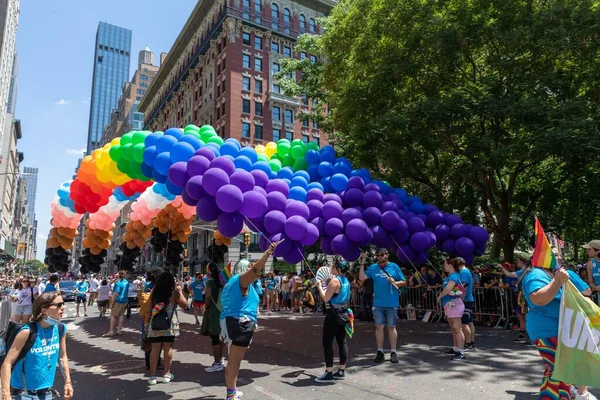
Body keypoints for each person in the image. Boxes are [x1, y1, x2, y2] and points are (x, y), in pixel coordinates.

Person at [522, 259, 593, 400]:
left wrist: (568, 277)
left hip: (567, 327)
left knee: (562, 370)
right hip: (547, 329)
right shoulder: (535, 274)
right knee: (557, 371)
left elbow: (586, 291)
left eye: (558, 254)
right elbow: (539, 299)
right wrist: (557, 281)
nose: (558, 258)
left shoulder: (561, 273)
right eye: (553, 254)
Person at [219, 240, 281, 400]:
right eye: (247, 267)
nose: (252, 270)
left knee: (233, 358)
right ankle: (231, 395)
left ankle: (231, 391)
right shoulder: (241, 280)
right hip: (240, 322)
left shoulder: (231, 283)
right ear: (242, 269)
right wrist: (268, 252)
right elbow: (254, 271)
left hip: (232, 322)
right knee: (234, 360)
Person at [1, 292, 73, 400]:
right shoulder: (27, 332)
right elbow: (7, 363)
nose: (63, 307)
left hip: (46, 392)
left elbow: (62, 357)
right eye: (58, 305)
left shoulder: (60, 328)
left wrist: (68, 382)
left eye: (62, 304)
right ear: (44, 310)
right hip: (23, 393)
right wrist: (5, 394)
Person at [359, 249, 406, 364]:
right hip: (378, 304)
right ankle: (380, 351)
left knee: (391, 327)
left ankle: (393, 352)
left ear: (387, 255)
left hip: (391, 303)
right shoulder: (373, 267)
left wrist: (394, 281)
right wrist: (362, 262)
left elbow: (404, 282)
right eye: (378, 255)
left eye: (382, 255)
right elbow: (361, 278)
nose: (379, 257)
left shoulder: (394, 267)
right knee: (379, 327)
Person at [144, 272, 187, 386]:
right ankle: (166, 374)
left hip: (155, 323)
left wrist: (146, 324)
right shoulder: (174, 293)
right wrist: (180, 291)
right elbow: (184, 305)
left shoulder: (154, 293)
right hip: (170, 324)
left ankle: (152, 376)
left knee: (155, 350)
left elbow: (148, 310)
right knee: (168, 349)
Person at [314, 260, 350, 383]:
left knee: (327, 342)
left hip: (333, 314)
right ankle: (341, 370)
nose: (331, 268)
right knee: (342, 341)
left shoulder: (335, 281)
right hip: (343, 313)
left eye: (334, 266)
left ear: (338, 269)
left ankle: (329, 372)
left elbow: (325, 298)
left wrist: (319, 286)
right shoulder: (346, 281)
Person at [499, 255, 535, 347]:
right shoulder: (525, 271)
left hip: (524, 296)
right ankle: (523, 335)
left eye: (518, 261)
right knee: (522, 316)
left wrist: (502, 268)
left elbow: (509, 274)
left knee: (526, 316)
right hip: (523, 295)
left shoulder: (524, 272)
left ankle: (532, 338)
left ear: (522, 262)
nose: (517, 263)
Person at [438, 258, 466, 361]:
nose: (444, 266)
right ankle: (456, 348)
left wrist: (440, 296)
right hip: (451, 305)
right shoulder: (451, 276)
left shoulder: (453, 276)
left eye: (445, 264)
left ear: (450, 265)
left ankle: (461, 352)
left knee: (457, 329)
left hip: (454, 305)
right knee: (454, 329)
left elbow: (448, 289)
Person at [201, 263, 226, 373]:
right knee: (221, 336)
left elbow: (208, 295)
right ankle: (220, 359)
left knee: (215, 337)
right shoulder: (222, 281)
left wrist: (206, 305)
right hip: (223, 310)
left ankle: (217, 363)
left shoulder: (210, 281)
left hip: (214, 310)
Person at [104, 270, 130, 337]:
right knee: (121, 315)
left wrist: (112, 303)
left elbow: (116, 293)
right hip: (125, 300)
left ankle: (111, 331)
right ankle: (119, 330)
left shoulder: (118, 283)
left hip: (118, 300)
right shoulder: (126, 282)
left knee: (113, 315)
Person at [458, 258, 476, 351]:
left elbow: (463, 286)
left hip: (465, 300)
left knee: (464, 323)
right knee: (469, 322)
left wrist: (457, 296)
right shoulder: (467, 271)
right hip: (469, 299)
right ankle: (471, 342)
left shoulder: (463, 273)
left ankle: (468, 343)